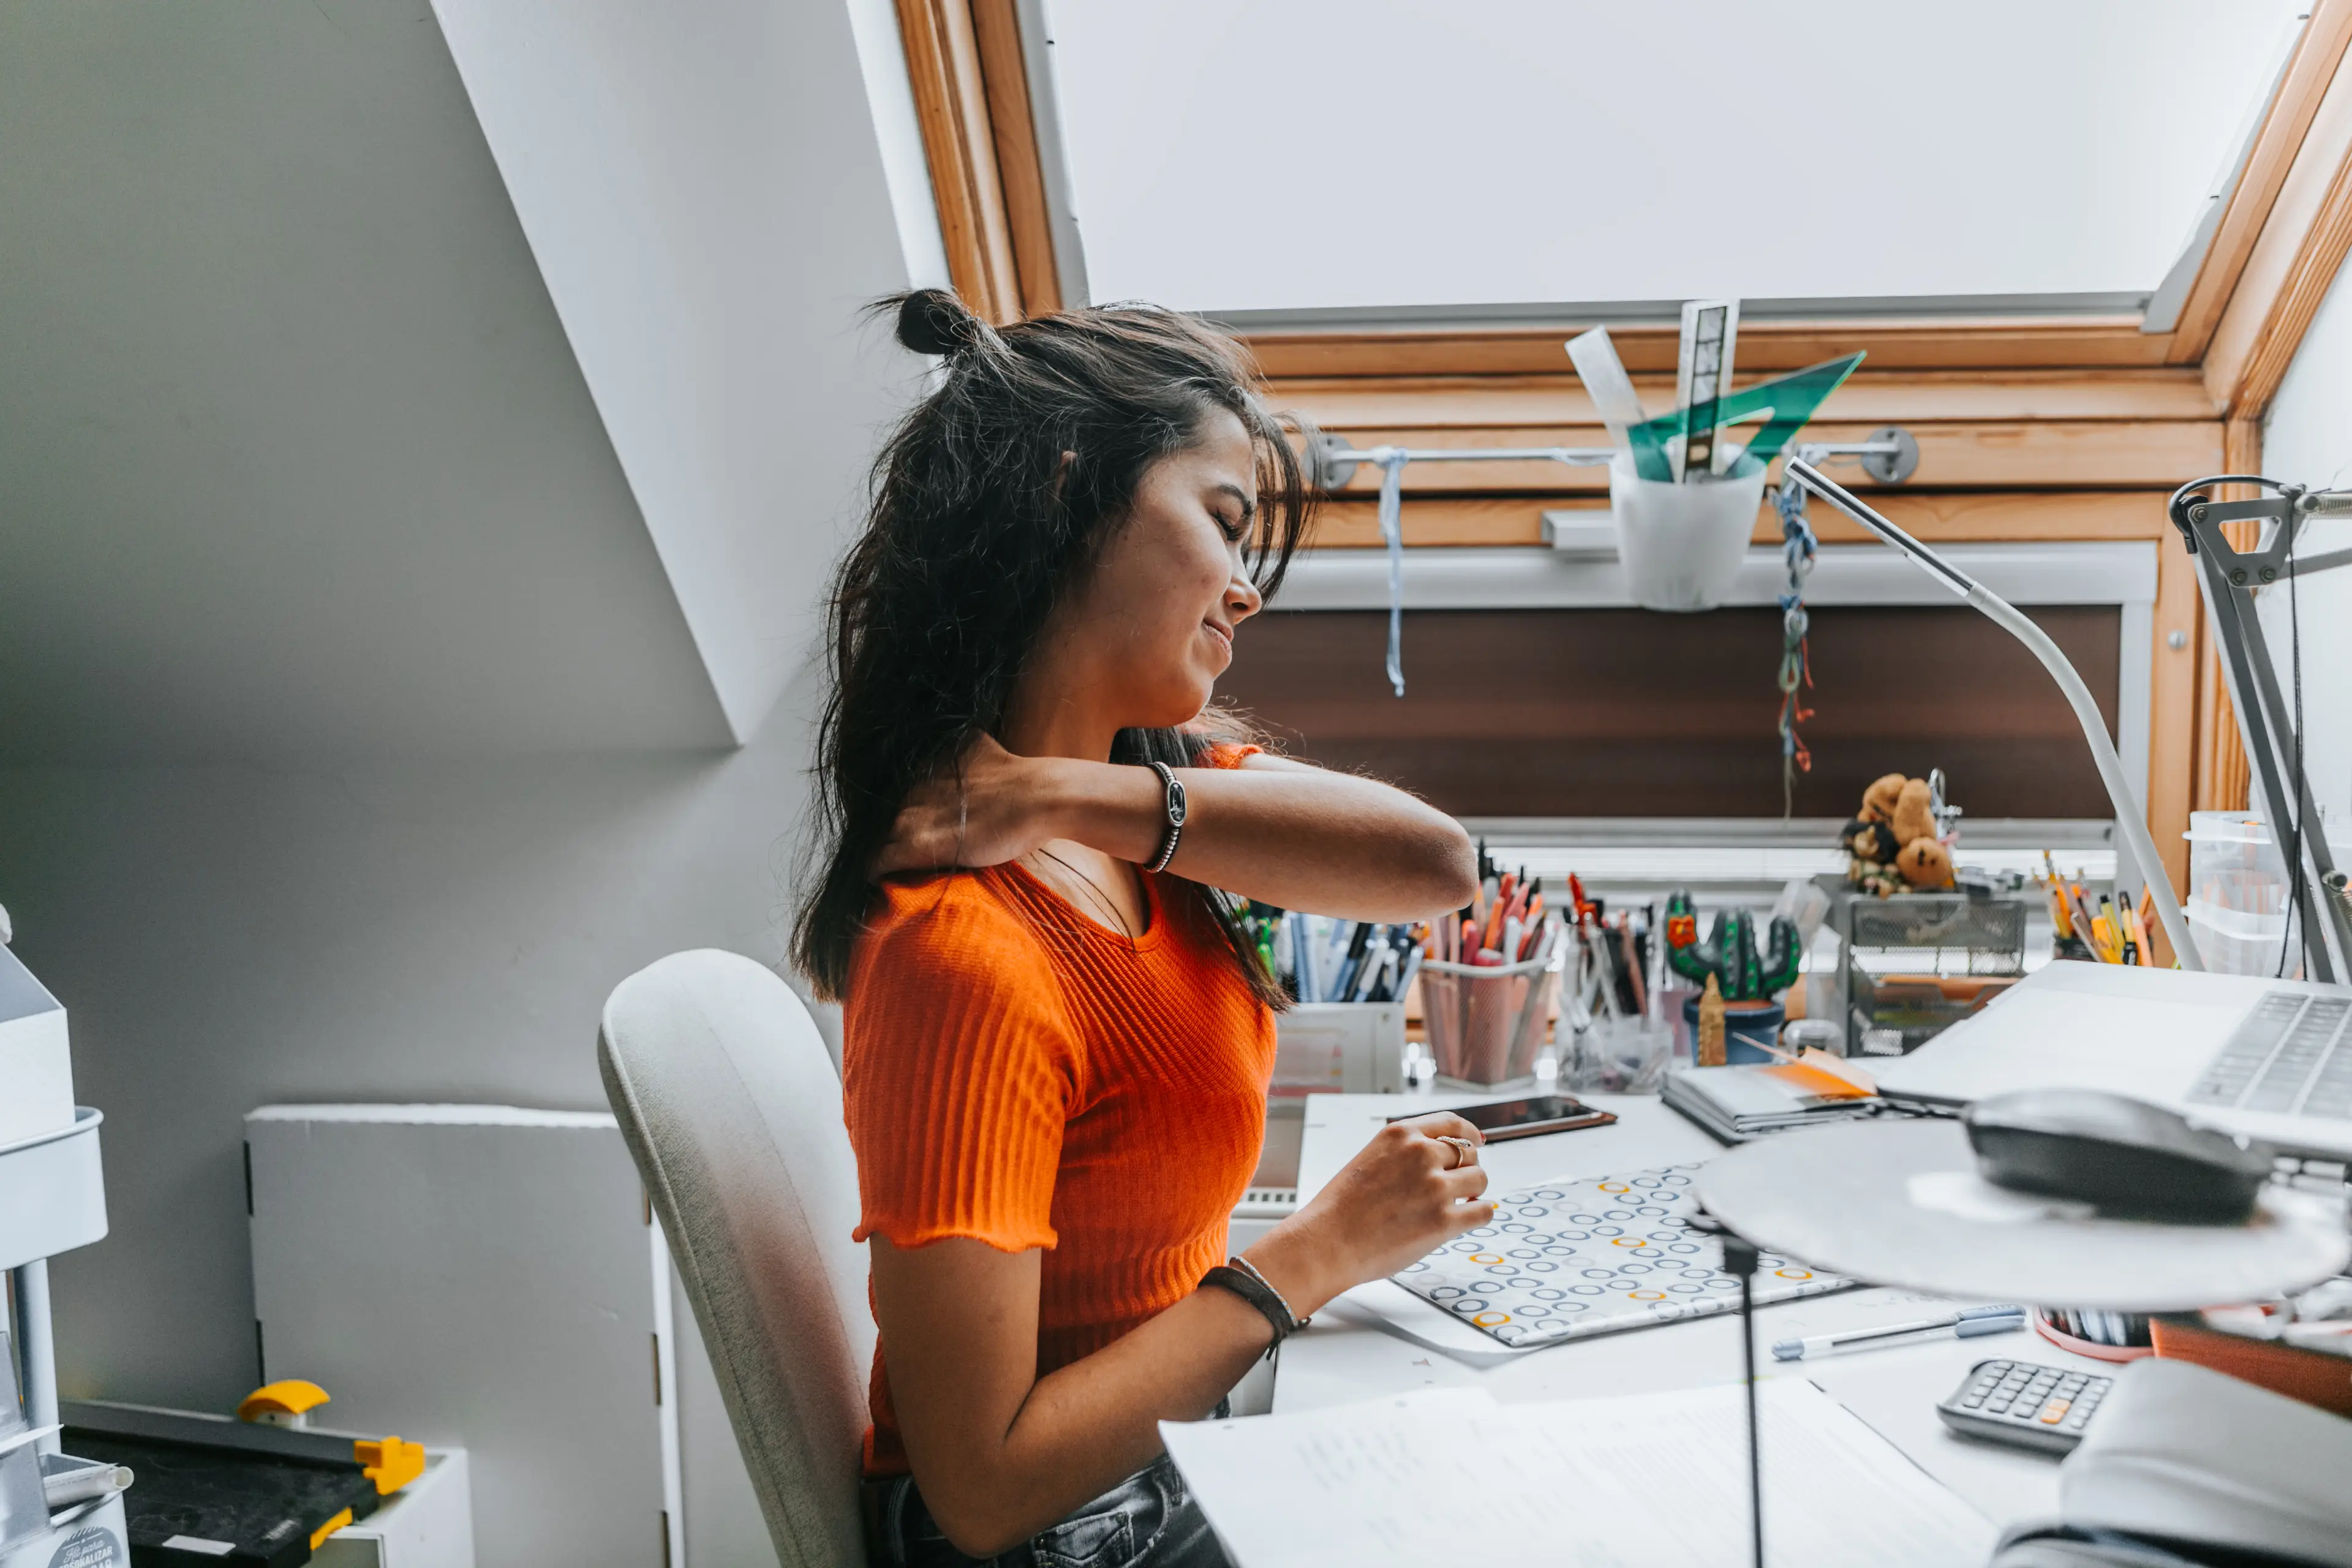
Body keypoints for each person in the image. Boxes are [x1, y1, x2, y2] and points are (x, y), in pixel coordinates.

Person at [794, 288, 1490, 1568]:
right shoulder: (962, 952)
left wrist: (1061, 793)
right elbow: (984, 1489)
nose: (1248, 590)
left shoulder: (1147, 804)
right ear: (1068, 492)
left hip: (1166, 1473)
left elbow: (1438, 863)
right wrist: (1316, 1255)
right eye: (1223, 521)